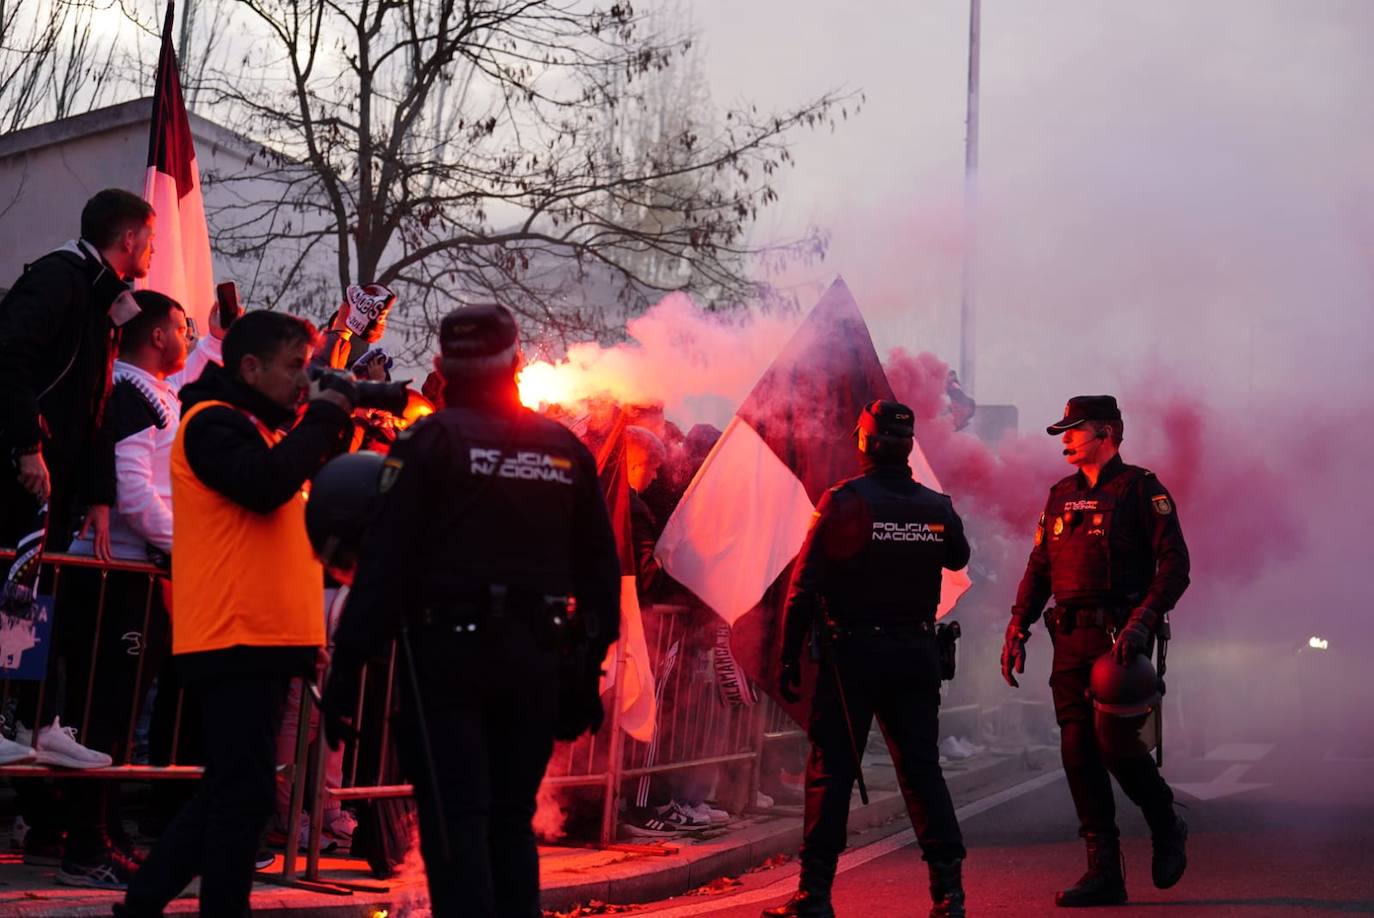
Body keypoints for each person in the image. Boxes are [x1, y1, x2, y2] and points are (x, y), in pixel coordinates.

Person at [322, 302, 620, 917]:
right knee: (510, 823)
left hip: (446, 663)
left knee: (457, 827)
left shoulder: (426, 443)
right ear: (514, 363)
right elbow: (600, 575)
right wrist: (586, 671)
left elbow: (382, 565)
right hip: (535, 660)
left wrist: (348, 669)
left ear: (441, 365)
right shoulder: (566, 450)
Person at [118, 310, 355, 917]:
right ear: (249, 367)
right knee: (240, 793)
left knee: (233, 789)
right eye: (295, 367)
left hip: (263, 634)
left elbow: (278, 533)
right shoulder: (211, 423)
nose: (306, 381)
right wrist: (326, 415)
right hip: (232, 633)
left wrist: (306, 635)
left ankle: (142, 904)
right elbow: (264, 486)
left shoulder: (258, 426)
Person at [766, 400, 970, 918]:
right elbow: (959, 556)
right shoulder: (935, 506)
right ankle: (949, 895)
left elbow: (803, 587)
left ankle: (814, 895)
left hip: (852, 656)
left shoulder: (843, 502)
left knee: (830, 771)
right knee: (923, 772)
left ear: (864, 442)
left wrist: (788, 657)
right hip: (916, 654)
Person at [48, 291, 222, 888]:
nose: (186, 335)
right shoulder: (128, 394)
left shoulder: (152, 392)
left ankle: (92, 836)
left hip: (135, 573)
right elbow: (135, 495)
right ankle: (83, 847)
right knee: (103, 717)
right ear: (156, 336)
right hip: (113, 575)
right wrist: (190, 543)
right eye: (182, 327)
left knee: (111, 716)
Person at [999, 395, 1190, 908]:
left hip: (1120, 643)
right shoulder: (1060, 495)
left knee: (1119, 749)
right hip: (1069, 639)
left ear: (1106, 433)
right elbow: (1040, 565)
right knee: (1078, 752)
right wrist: (1017, 624)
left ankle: (1167, 824)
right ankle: (1104, 870)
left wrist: (1141, 623)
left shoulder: (1141, 490)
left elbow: (1175, 565)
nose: (1065, 439)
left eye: (1076, 430)